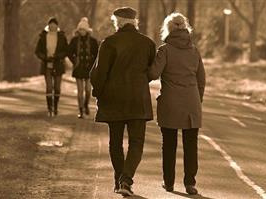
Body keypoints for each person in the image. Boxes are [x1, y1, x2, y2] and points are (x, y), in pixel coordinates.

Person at [90, 7, 156, 196]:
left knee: (115, 142)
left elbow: (98, 74)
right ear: (134, 22)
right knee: (137, 142)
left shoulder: (109, 43)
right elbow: (151, 72)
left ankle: (119, 178)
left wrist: (98, 93)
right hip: (138, 100)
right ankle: (125, 180)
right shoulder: (148, 44)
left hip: (114, 99)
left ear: (117, 22)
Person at [148, 13, 206, 195]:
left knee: (169, 143)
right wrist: (198, 99)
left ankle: (169, 182)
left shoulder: (165, 50)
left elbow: (153, 74)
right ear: (185, 28)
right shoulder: (194, 50)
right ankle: (190, 183)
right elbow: (201, 79)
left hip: (171, 102)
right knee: (191, 144)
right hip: (191, 102)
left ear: (168, 29)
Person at [35, 17, 68, 117]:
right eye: (51, 24)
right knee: (49, 87)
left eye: (54, 24)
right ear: (48, 26)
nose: (52, 26)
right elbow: (37, 51)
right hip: (47, 65)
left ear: (57, 26)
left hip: (58, 64)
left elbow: (66, 50)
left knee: (57, 88)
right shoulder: (43, 37)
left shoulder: (62, 37)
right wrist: (45, 57)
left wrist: (58, 56)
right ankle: (49, 108)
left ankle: (56, 108)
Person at [68, 17, 99, 118]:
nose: (82, 31)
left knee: (88, 90)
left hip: (89, 68)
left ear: (87, 30)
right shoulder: (74, 40)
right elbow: (69, 52)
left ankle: (86, 105)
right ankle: (80, 110)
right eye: (80, 29)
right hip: (78, 68)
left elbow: (97, 54)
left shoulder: (93, 41)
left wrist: (94, 64)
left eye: (83, 29)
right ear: (78, 30)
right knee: (80, 91)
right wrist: (74, 61)